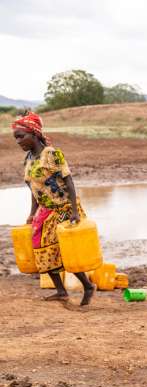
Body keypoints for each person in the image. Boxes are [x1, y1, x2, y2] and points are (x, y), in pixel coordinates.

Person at [12, 112, 95, 306]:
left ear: (34, 133)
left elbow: (69, 181)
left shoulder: (51, 154)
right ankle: (61, 291)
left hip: (64, 208)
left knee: (67, 251)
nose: (18, 141)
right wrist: (32, 213)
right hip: (45, 211)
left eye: (21, 136)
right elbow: (34, 189)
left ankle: (88, 286)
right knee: (41, 250)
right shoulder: (29, 159)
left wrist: (74, 211)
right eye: (16, 137)